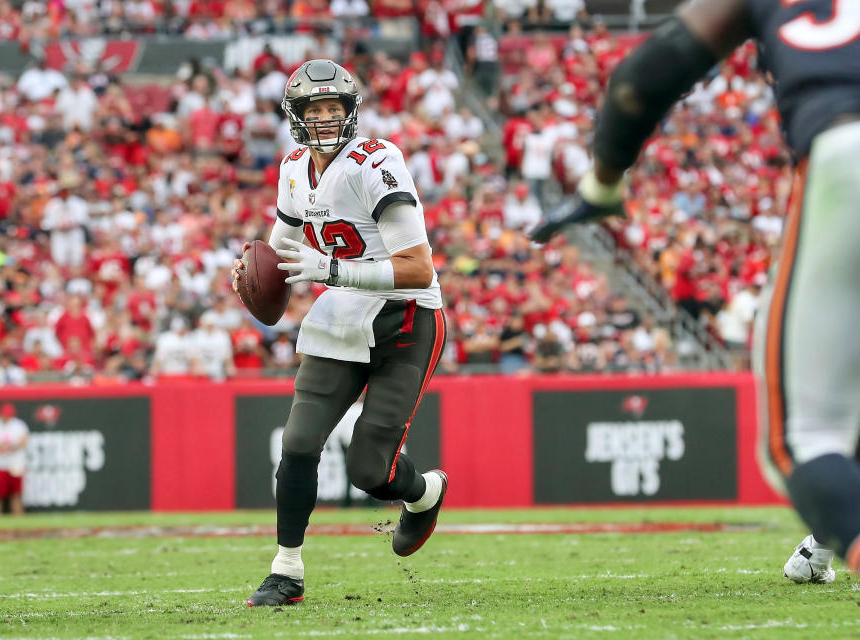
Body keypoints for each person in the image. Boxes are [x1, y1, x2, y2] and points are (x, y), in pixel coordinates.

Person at [527, 0, 860, 583]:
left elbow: (639, 81)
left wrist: (603, 182)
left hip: (843, 149)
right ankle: (818, 550)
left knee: (803, 440)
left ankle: (825, 545)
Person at [232, 59, 448, 607]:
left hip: (406, 316)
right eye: (314, 109)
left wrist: (332, 271)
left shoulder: (376, 162)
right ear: (296, 116)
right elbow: (281, 250)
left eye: (333, 108)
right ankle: (287, 570)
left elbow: (419, 267)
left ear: (350, 113)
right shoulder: (291, 168)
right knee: (299, 443)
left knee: (370, 472)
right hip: (343, 314)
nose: (324, 119)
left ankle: (424, 494)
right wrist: (251, 271)